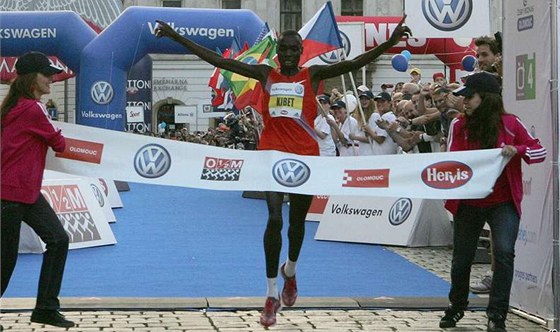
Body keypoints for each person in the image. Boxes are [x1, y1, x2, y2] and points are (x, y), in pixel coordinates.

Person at [155, 16, 411, 327]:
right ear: (278, 52)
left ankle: (290, 270)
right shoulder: (265, 74)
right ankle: (271, 293)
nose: (289, 55)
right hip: (271, 156)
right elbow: (215, 59)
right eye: (284, 50)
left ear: (301, 52)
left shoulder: (313, 74)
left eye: (294, 50)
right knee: (274, 218)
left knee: (296, 225)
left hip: (305, 158)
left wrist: (389, 43)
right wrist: (176, 37)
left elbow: (355, 62)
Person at [438, 72, 546, 332]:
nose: (464, 102)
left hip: (502, 201)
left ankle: (497, 314)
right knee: (462, 258)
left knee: (505, 254)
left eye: (469, 97)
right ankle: (456, 306)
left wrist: (517, 150)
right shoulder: (458, 125)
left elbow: (539, 151)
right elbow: (451, 159)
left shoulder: (510, 123)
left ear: (485, 98)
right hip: (469, 201)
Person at [1, 51, 74, 328]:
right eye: (48, 74)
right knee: (4, 262)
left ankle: (45, 308)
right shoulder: (33, 108)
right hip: (12, 193)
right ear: (33, 79)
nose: (52, 79)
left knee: (58, 240)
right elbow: (59, 143)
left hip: (21, 192)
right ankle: (45, 307)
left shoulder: (16, 105)